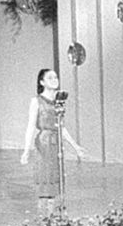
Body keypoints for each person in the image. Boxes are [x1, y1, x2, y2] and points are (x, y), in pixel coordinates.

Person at [20, 68, 88, 207]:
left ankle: (54, 213)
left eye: (55, 77)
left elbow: (61, 127)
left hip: (56, 144)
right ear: (42, 82)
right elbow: (31, 126)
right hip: (44, 143)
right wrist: (26, 150)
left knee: (56, 181)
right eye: (50, 78)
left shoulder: (58, 101)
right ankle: (43, 214)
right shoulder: (37, 101)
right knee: (45, 178)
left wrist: (76, 147)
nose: (54, 80)